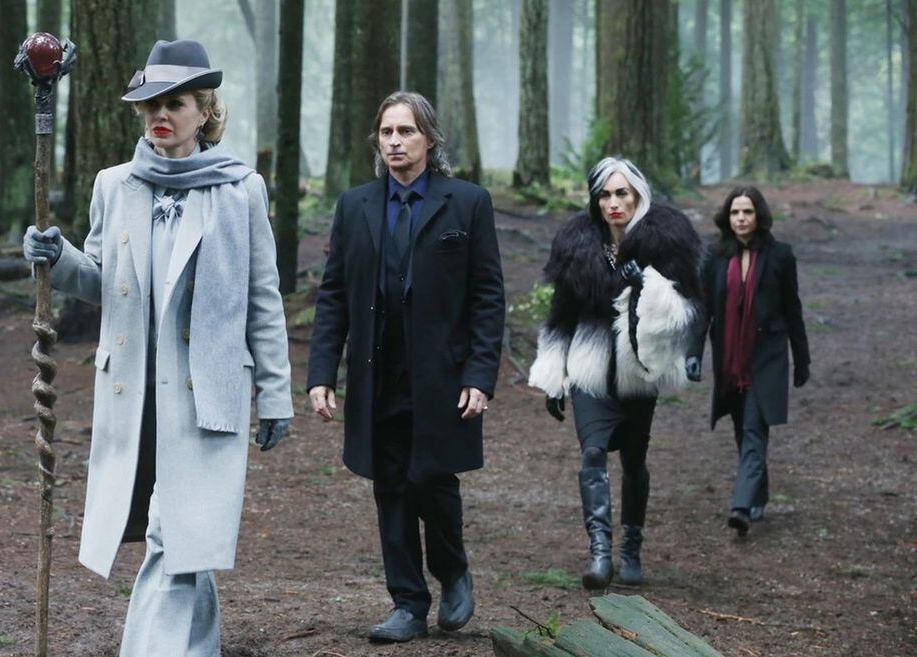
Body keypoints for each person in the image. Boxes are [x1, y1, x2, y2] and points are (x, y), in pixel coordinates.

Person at [22, 40, 292, 656]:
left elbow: (263, 296)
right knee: (181, 535)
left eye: (175, 103)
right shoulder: (115, 185)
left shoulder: (241, 189)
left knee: (177, 532)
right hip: (133, 391)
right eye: (149, 105)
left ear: (205, 111)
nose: (159, 115)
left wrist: (276, 393)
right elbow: (101, 282)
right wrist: (57, 257)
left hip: (206, 391)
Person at [307, 91, 505, 642]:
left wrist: (480, 375)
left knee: (432, 477)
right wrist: (322, 373)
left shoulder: (468, 203)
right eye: (387, 132)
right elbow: (334, 296)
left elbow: (488, 296)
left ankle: (453, 571)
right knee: (391, 484)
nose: (395, 142)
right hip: (377, 373)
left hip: (444, 374)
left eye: (407, 131)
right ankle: (408, 604)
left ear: (430, 139)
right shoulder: (355, 206)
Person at [528, 157, 702, 589]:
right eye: (604, 195)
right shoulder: (577, 244)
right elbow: (561, 313)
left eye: (622, 193)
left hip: (639, 370)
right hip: (588, 366)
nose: (613, 203)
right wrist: (553, 374)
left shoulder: (665, 239)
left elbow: (687, 311)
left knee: (634, 459)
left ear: (638, 195)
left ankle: (631, 549)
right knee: (592, 452)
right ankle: (600, 552)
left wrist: (648, 286)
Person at [686, 186, 810, 537]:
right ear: (727, 217)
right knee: (744, 430)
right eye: (735, 212)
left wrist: (802, 360)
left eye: (748, 212)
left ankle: (740, 506)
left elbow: (793, 309)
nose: (741, 218)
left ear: (759, 216)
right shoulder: (714, 256)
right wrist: (693, 353)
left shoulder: (780, 256)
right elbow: (703, 309)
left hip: (767, 358)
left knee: (755, 427)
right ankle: (759, 493)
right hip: (729, 359)